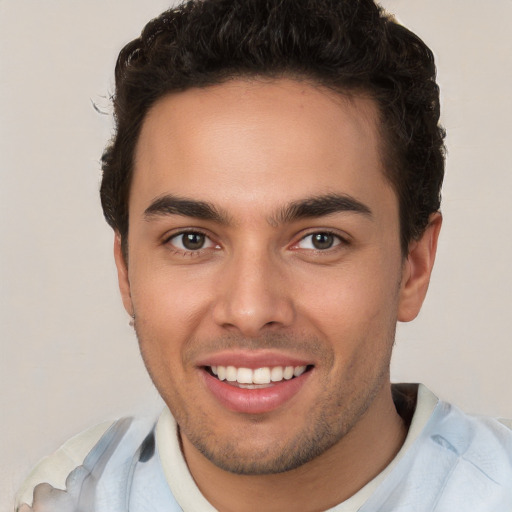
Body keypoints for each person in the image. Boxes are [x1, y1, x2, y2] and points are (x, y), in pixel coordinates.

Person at [15, 0, 512, 510]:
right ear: (125, 271)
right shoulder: (63, 496)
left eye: (321, 240)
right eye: (191, 240)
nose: (250, 311)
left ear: (414, 267)